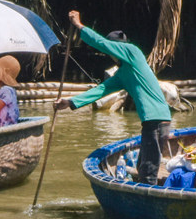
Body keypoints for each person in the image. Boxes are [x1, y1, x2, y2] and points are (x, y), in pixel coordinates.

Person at [60, 12, 174, 184]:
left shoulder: (133, 52)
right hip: (151, 121)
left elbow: (102, 44)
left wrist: (78, 25)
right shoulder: (122, 74)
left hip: (156, 119)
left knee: (148, 171)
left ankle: (147, 201)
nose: (112, 54)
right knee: (143, 166)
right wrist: (70, 102)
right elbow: (101, 90)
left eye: (113, 50)